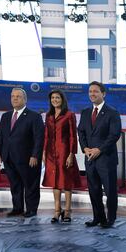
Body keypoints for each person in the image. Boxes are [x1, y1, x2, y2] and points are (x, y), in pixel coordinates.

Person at [0, 88, 44, 218]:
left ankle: (31, 209)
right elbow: (1, 136)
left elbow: (39, 138)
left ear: (25, 99)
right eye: (13, 96)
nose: (15, 99)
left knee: (30, 184)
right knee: (15, 185)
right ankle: (17, 208)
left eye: (18, 96)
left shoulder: (34, 116)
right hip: (9, 157)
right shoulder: (6, 116)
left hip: (28, 158)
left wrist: (35, 155)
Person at [78, 81, 122, 228]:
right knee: (94, 190)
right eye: (90, 91)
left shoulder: (112, 112)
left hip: (106, 158)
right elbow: (81, 132)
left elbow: (114, 135)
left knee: (110, 191)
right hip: (89, 158)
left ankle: (110, 219)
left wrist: (99, 149)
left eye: (95, 91)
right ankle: (98, 217)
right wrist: (85, 149)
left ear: (103, 94)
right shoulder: (85, 112)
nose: (92, 94)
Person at [42, 89, 81, 223]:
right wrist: (43, 153)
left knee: (66, 182)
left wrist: (71, 154)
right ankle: (57, 211)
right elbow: (46, 135)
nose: (55, 100)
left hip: (65, 152)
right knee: (55, 183)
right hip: (50, 153)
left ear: (62, 100)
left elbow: (72, 136)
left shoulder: (69, 115)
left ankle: (68, 211)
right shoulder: (48, 116)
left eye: (57, 98)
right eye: (52, 98)